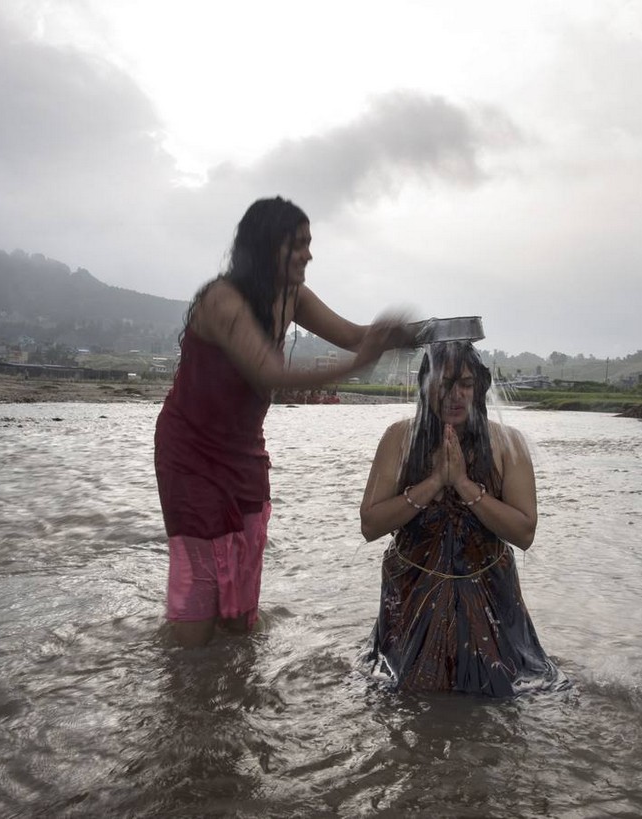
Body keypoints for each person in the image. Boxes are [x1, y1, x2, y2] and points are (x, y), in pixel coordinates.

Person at [154, 196, 413, 648]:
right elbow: (267, 373)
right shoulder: (221, 300)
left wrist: (399, 334)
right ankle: (185, 686)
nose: (308, 255)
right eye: (297, 245)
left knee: (243, 573)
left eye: (309, 244)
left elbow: (355, 337)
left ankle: (231, 684)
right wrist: (357, 367)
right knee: (201, 577)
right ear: (264, 246)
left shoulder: (293, 297)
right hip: (190, 452)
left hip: (243, 451)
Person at [359, 341, 563, 696]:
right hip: (411, 594)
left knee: (504, 690)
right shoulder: (399, 438)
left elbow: (525, 532)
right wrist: (434, 482)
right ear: (426, 385)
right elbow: (370, 524)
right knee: (401, 690)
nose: (455, 395)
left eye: (465, 384)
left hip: (490, 596)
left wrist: (465, 485)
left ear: (479, 388)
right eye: (444, 383)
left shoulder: (507, 444)